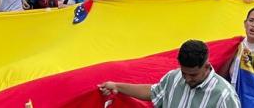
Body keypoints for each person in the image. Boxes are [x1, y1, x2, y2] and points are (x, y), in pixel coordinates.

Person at [98, 39, 240, 108]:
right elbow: (152, 92)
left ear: (207, 66)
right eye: (184, 73)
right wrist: (116, 86)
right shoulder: (174, 77)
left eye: (193, 75)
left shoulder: (224, 95)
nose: (187, 78)